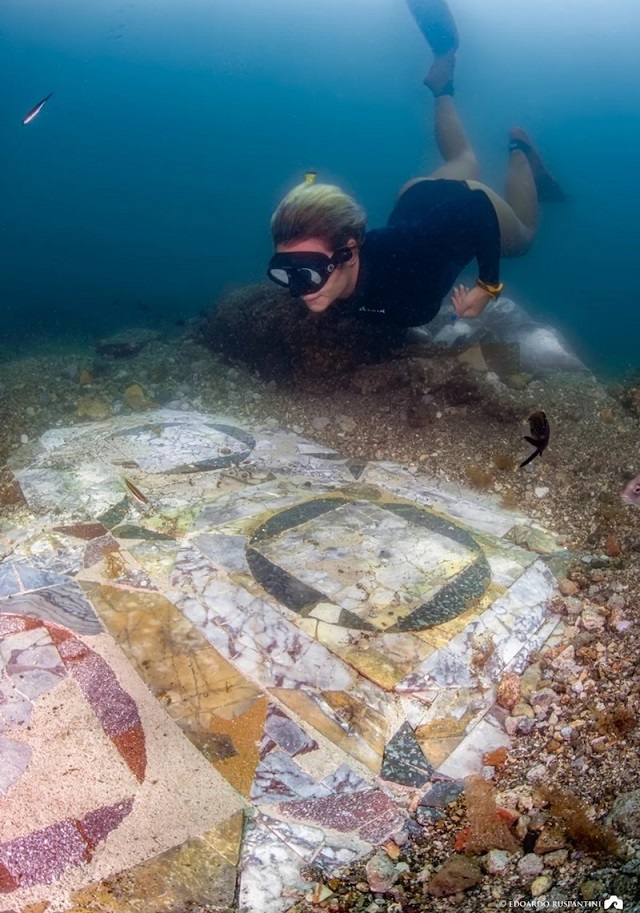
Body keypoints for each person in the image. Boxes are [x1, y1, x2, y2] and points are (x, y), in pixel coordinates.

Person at [266, 0, 565, 340]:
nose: (300, 290)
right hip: (416, 195)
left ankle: (519, 150)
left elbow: (477, 208)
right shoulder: (336, 273)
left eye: (310, 271)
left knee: (523, 239)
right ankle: (442, 85)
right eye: (286, 272)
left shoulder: (412, 263)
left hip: (466, 204)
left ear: (348, 253)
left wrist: (488, 285)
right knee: (466, 159)